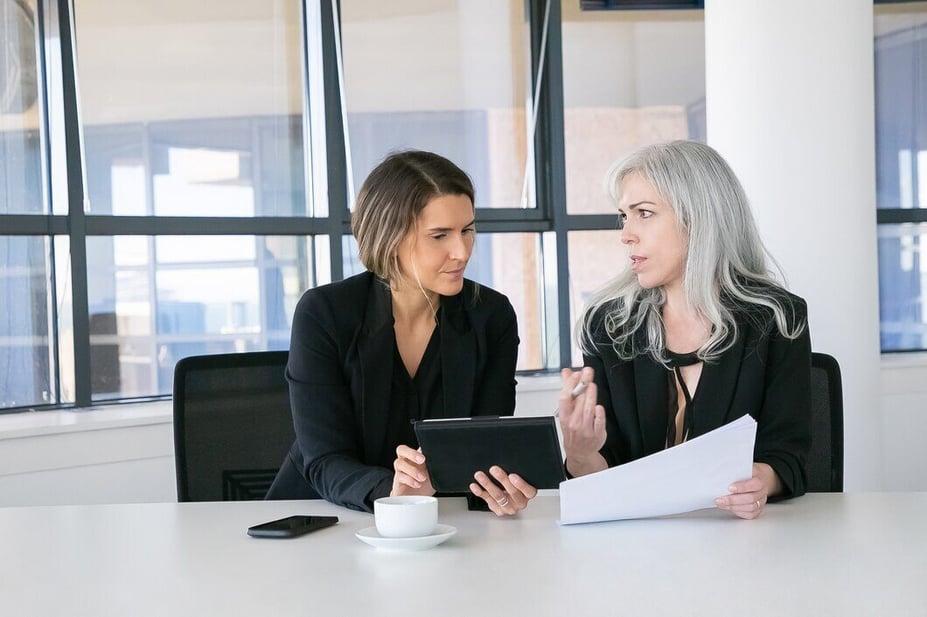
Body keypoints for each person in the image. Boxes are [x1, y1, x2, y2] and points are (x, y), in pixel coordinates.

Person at [267, 150, 537, 516]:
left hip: (438, 522)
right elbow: (325, 459)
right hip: (323, 517)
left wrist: (499, 490)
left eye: (468, 230)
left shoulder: (491, 316)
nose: (461, 252)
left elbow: (482, 451)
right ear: (390, 237)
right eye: (440, 235)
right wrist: (391, 491)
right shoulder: (326, 313)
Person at [557, 140, 811, 520]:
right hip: (637, 546)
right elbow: (605, 480)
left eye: (644, 213)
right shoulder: (609, 327)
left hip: (741, 542)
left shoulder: (776, 318)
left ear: (699, 218)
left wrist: (761, 480)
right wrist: (580, 453)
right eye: (624, 216)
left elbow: (789, 454)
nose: (625, 234)